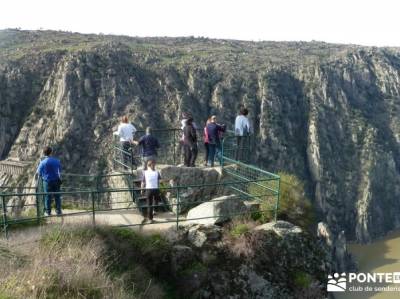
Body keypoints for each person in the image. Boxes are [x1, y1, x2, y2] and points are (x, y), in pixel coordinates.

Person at [36, 146, 62, 216]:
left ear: (44, 153)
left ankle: (48, 212)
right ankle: (58, 211)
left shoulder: (42, 162)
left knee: (47, 196)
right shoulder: (57, 161)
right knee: (57, 196)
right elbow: (60, 170)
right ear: (51, 152)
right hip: (56, 181)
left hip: (47, 181)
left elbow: (38, 172)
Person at [141, 160, 161, 224]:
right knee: (155, 201)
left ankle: (150, 219)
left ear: (148, 165)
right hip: (155, 189)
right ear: (152, 165)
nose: (154, 165)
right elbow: (160, 181)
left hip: (149, 189)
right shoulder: (157, 172)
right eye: (154, 164)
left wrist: (142, 190)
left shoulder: (145, 172)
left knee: (150, 204)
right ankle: (154, 211)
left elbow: (143, 182)